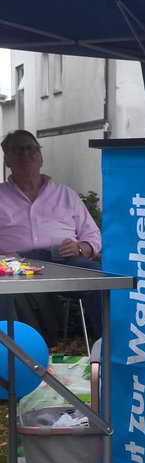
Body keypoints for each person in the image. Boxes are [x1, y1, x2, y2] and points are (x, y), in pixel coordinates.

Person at [0, 130, 102, 344]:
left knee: (100, 278)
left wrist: (81, 248)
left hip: (65, 259)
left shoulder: (66, 194)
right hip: (16, 264)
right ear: (6, 159)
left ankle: (109, 346)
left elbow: (93, 236)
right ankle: (18, 357)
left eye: (31, 148)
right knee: (3, 293)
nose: (25, 154)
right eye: (17, 150)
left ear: (41, 157)